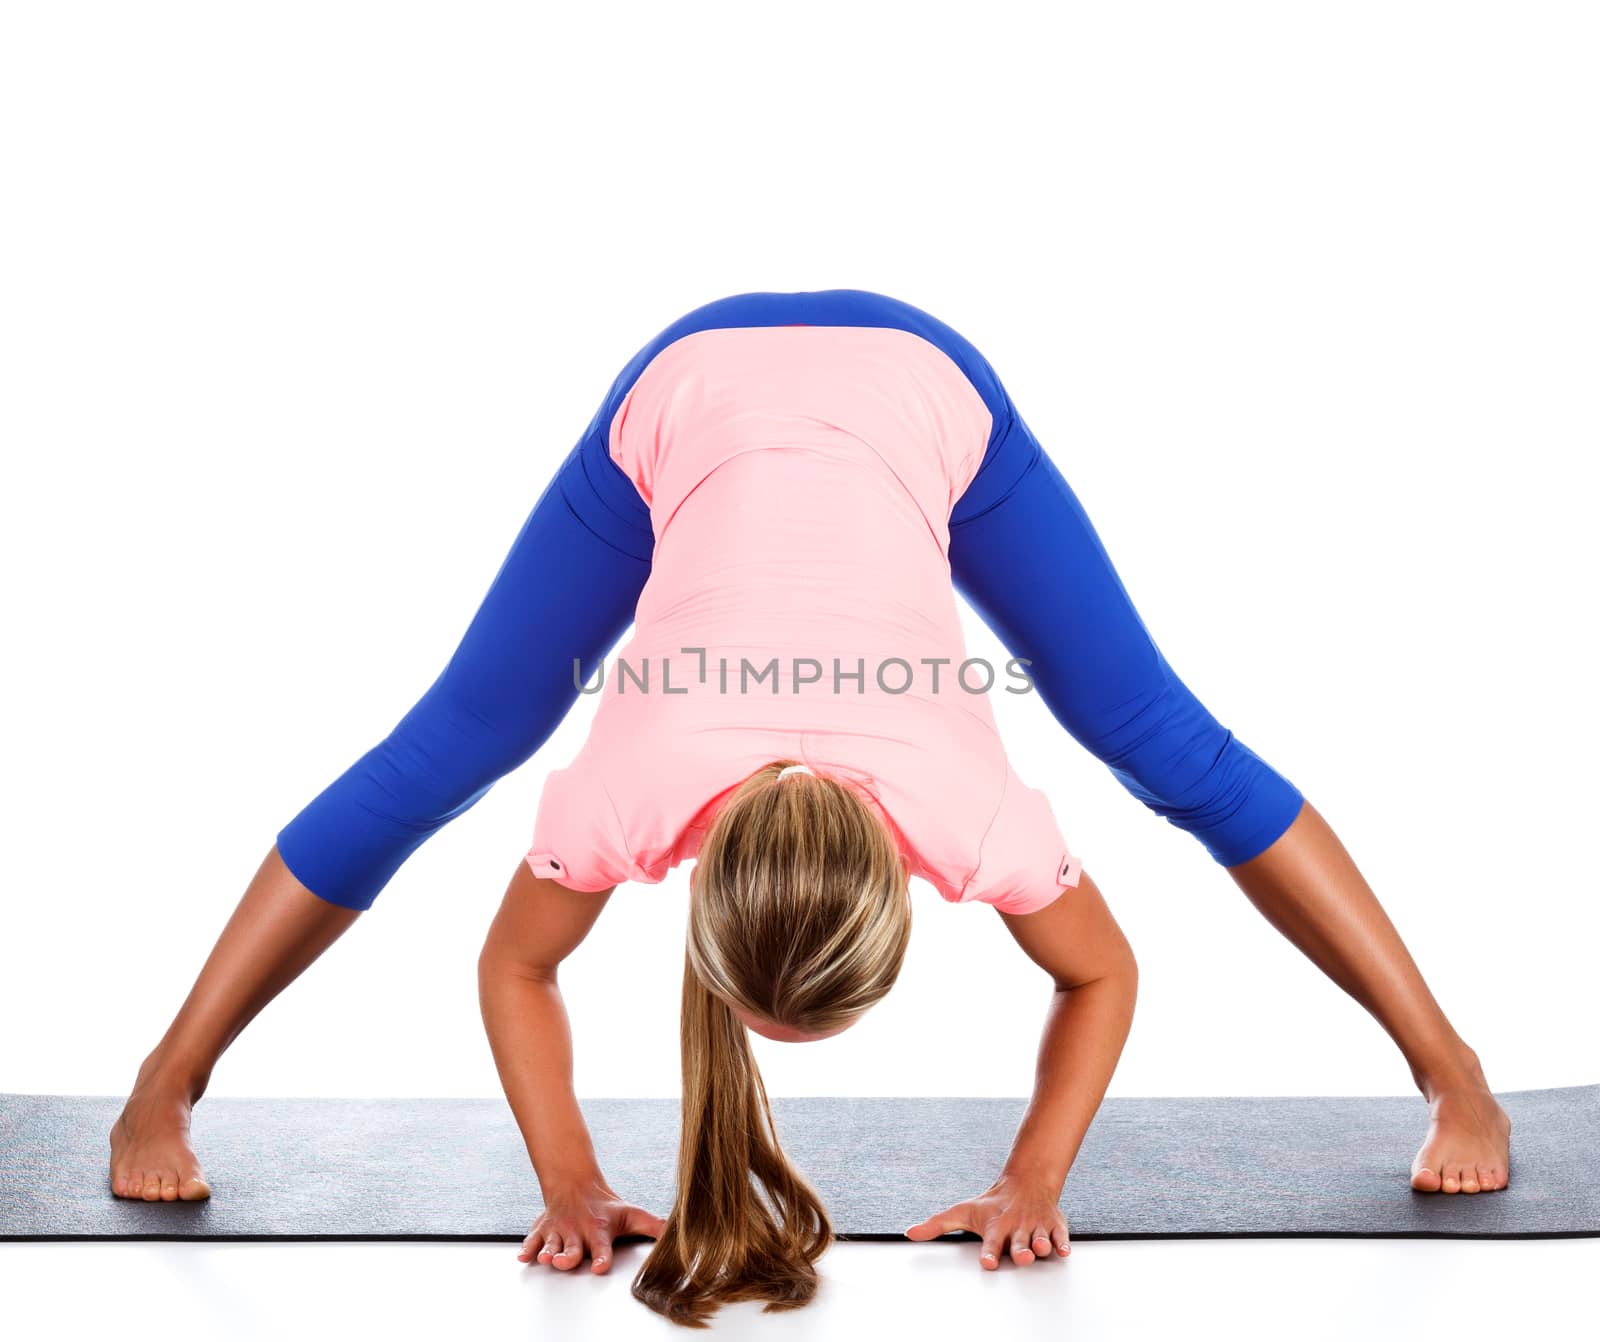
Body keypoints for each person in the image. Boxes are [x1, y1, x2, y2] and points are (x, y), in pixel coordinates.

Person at [108, 288, 1511, 1325]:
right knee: (456, 740)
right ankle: (162, 1089)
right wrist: (569, 1178)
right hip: (689, 401)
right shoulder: (643, 785)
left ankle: (1455, 1071)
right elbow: (515, 961)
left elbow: (521, 955)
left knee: (1160, 739)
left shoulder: (965, 809)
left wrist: (1037, 1177)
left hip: (921, 400)